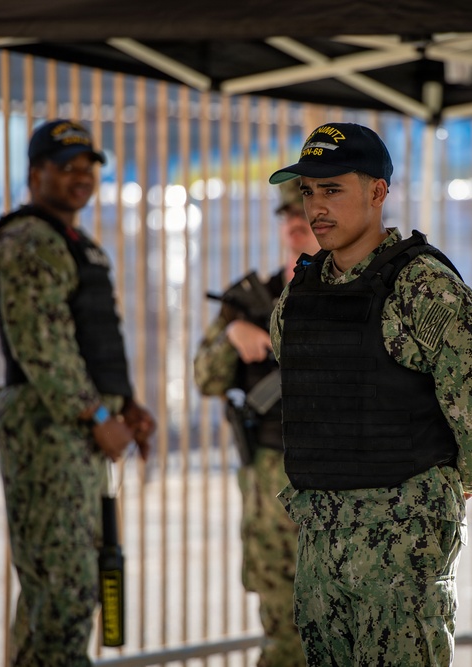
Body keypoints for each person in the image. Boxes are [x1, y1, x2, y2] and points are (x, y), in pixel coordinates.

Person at [268, 122, 472, 666]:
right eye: (308, 191)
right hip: (321, 553)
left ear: (377, 192)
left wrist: (453, 488)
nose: (316, 207)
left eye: (332, 189)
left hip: (400, 556)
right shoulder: (302, 293)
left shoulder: (419, 285)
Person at [0, 118, 156, 667]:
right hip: (49, 428)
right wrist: (97, 412)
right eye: (66, 167)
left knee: (60, 593)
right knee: (64, 590)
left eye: (88, 167)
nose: (80, 177)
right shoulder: (28, 239)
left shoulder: (74, 242)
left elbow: (93, 336)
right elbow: (42, 345)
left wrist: (125, 404)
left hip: (75, 427)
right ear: (36, 174)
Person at [193, 179, 320, 667]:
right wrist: (233, 334)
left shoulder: (354, 296)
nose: (295, 222)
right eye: (287, 215)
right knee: (284, 628)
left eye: (305, 212)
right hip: (270, 485)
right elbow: (204, 378)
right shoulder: (250, 300)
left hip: (340, 479)